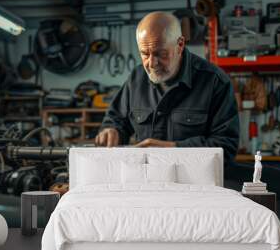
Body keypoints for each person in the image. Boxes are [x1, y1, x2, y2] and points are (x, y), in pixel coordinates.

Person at [95, 11, 240, 162]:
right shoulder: (136, 79)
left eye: (160, 54)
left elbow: (226, 145)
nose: (152, 63)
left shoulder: (214, 81)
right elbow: (115, 120)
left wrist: (173, 150)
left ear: (180, 44)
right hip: (145, 180)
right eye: (145, 53)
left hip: (194, 182)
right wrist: (111, 131)